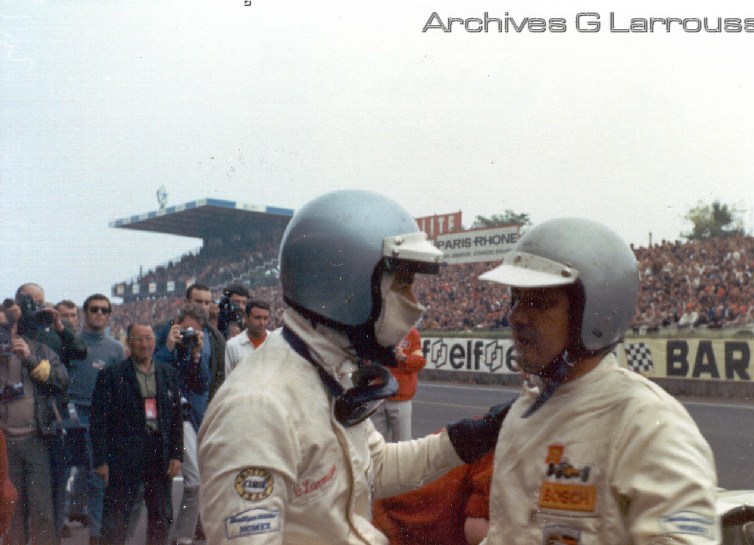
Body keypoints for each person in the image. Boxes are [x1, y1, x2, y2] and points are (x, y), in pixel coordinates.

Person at [198, 189, 510, 545]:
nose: (415, 303)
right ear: (348, 285)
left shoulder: (326, 371)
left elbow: (376, 465)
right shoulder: (258, 407)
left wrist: (471, 436)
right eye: (403, 284)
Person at [477, 217, 719, 544]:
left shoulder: (649, 423)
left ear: (595, 315)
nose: (516, 316)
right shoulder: (523, 412)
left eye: (540, 303)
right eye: (516, 299)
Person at [90, 323, 183, 545]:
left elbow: (176, 419)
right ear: (129, 343)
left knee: (161, 516)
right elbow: (98, 422)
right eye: (139, 339)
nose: (144, 344)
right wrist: (101, 460)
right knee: (116, 519)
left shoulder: (168, 373)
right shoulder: (112, 375)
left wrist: (176, 454)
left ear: (155, 341)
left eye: (149, 338)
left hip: (158, 453)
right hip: (124, 455)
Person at [15, 283, 88, 541]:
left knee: (53, 485)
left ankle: (54, 533)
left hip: (50, 416)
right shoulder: (12, 328)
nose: (36, 307)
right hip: (18, 420)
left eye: (40, 301)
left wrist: (59, 326)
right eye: (30, 301)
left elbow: (79, 352)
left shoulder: (53, 331)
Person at [1, 306, 70, 545]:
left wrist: (30, 358)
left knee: (42, 509)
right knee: (12, 512)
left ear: (15, 326)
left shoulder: (38, 349)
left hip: (35, 438)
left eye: (4, 326)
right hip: (3, 444)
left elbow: (62, 380)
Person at [62, 294, 125, 544]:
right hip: (71, 414)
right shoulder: (72, 343)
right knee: (67, 471)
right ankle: (63, 519)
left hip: (100, 417)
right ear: (85, 312)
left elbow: (120, 386)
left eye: (104, 310)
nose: (99, 314)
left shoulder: (115, 348)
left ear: (109, 315)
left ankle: (96, 533)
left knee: (97, 475)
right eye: (94, 309)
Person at [153, 304, 209, 545]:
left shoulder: (195, 347)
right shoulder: (158, 336)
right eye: (185, 330)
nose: (188, 335)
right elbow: (151, 371)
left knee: (194, 480)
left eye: (193, 332)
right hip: (156, 418)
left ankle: (183, 538)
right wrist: (168, 346)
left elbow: (202, 384)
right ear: (176, 324)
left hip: (184, 419)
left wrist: (196, 354)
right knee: (153, 486)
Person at [371, 326, 425, 442]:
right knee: (376, 443)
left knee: (402, 443)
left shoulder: (411, 333)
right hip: (378, 395)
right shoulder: (377, 330)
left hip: (400, 397)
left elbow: (420, 362)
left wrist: (404, 357)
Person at [224, 299, 271, 376]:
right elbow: (228, 378)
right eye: (257, 318)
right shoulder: (233, 346)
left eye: (265, 318)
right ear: (246, 318)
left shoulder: (276, 342)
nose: (262, 323)